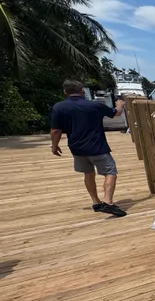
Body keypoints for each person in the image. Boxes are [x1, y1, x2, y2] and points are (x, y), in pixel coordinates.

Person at [50, 79, 127, 217]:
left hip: (76, 148)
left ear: (65, 92)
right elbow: (116, 113)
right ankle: (108, 203)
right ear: (82, 91)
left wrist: (54, 146)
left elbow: (55, 130)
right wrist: (120, 104)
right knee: (110, 172)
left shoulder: (59, 107)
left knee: (88, 173)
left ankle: (96, 202)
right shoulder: (95, 106)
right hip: (97, 147)